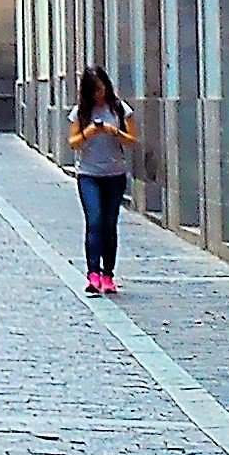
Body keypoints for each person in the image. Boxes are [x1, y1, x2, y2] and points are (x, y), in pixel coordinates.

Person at [68, 66, 135, 296]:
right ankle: (93, 274)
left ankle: (108, 275)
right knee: (94, 221)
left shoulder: (119, 109)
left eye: (102, 88)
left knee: (109, 224)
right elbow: (73, 142)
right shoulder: (80, 112)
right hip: (88, 175)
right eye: (95, 90)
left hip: (115, 175)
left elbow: (132, 141)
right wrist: (89, 132)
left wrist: (113, 131)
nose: (100, 94)